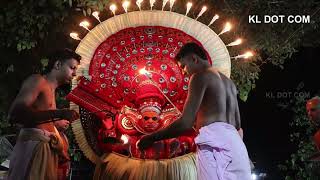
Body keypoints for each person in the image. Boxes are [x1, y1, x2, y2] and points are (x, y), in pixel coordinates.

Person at [137, 42, 251, 179]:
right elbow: (238, 124)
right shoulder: (230, 83)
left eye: (183, 66)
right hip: (237, 145)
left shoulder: (199, 76)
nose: (184, 72)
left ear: (194, 59)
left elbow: (185, 123)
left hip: (214, 146)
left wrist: (151, 137)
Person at [7, 48, 81, 180]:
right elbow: (16, 113)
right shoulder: (38, 81)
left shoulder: (52, 90)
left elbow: (40, 117)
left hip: (45, 151)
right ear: (57, 65)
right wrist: (59, 113)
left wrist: (56, 123)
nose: (74, 73)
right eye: (72, 67)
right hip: (33, 149)